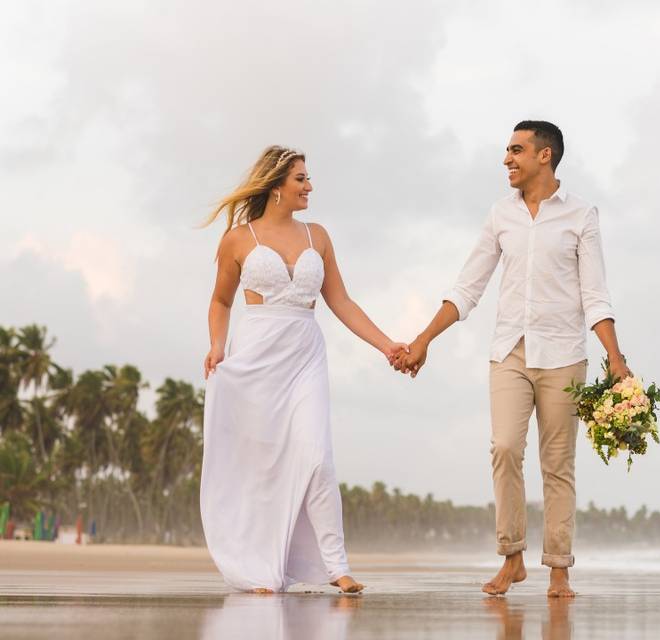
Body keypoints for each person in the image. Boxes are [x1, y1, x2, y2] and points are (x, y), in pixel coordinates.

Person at [393, 121, 631, 597]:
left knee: (558, 462)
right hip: (509, 352)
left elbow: (596, 295)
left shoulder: (582, 215)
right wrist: (423, 340)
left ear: (545, 155)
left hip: (564, 354)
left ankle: (559, 569)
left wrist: (616, 360)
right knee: (504, 447)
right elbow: (468, 287)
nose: (507, 158)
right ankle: (513, 557)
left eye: (516, 150)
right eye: (507, 149)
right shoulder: (500, 215)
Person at [200, 146, 406, 593]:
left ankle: (337, 566)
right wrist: (217, 346)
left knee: (316, 456)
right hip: (255, 356)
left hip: (305, 354)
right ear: (276, 186)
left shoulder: (319, 236)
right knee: (262, 465)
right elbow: (220, 301)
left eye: (307, 178)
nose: (309, 186)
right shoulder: (238, 239)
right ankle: (259, 568)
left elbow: (341, 302)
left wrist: (386, 344)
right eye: (301, 179)